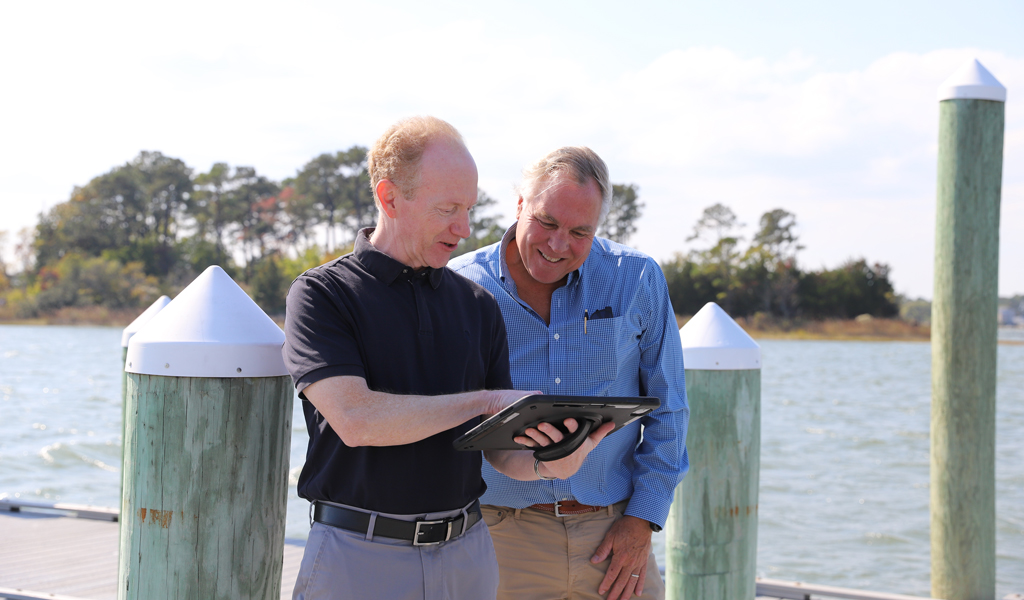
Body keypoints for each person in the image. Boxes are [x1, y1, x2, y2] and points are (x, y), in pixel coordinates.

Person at [282, 118, 614, 600]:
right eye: (448, 209)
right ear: (389, 197)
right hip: (358, 555)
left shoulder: (477, 305)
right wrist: (485, 402)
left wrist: (554, 462)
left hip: (469, 555)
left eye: (470, 208)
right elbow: (356, 419)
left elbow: (500, 453)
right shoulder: (322, 294)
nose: (465, 228)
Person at [449, 146, 689, 600]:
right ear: (519, 204)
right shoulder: (458, 284)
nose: (559, 245)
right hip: (498, 535)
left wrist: (642, 521)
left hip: (617, 536)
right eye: (547, 222)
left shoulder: (637, 279)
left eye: (580, 231)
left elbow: (669, 408)